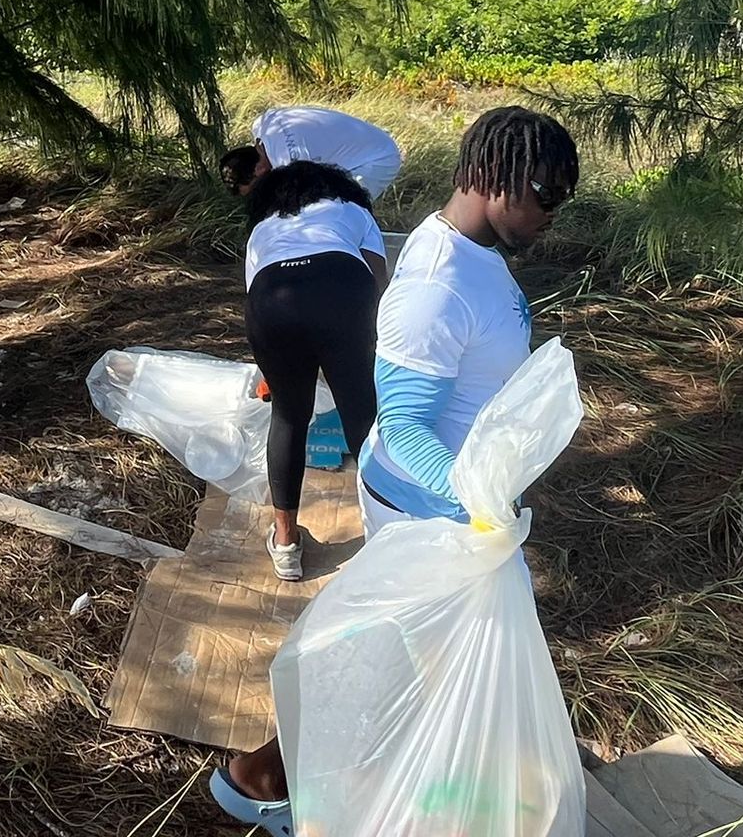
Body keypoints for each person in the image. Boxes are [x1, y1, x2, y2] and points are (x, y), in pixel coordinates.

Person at [211, 105, 580, 835]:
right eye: (544, 191)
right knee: (393, 665)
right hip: (430, 512)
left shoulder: (471, 257)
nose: (552, 212)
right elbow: (404, 427)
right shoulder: (438, 284)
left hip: (452, 510)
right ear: (487, 174)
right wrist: (477, 503)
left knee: (416, 665)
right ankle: (259, 778)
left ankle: (350, 780)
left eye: (563, 198)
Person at [243, 159, 389, 581]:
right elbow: (378, 284)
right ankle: (385, 531)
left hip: (272, 299)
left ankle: (286, 543)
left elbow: (256, 294)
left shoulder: (262, 229)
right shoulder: (352, 210)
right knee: (362, 413)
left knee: (289, 415)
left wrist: (277, 366)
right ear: (333, 186)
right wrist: (355, 345)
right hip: (343, 289)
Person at [220, 105, 403, 200]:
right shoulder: (262, 123)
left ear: (259, 170)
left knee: (345, 209)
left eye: (255, 188)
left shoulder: (291, 163)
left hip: (377, 158)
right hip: (362, 141)